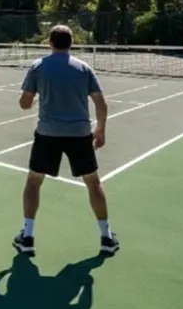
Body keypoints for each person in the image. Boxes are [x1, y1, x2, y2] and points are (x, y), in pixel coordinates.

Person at [12, 25, 119, 258]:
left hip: (47, 134)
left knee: (33, 181)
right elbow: (101, 103)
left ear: (50, 42)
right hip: (80, 135)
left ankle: (27, 237)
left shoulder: (38, 67)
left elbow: (24, 104)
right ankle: (107, 238)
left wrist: (32, 97)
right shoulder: (84, 68)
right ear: (72, 43)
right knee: (93, 183)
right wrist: (100, 130)